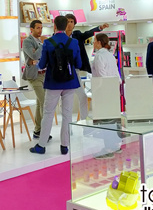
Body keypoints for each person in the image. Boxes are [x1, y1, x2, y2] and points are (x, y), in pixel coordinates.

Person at [30, 15, 82, 156]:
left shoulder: (48, 42)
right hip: (70, 83)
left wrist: (38, 65)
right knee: (67, 114)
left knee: (48, 114)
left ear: (54, 25)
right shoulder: (74, 42)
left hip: (53, 83)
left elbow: (42, 64)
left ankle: (41, 145)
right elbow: (79, 63)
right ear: (66, 26)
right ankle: (65, 146)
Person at [64, 14, 109, 119]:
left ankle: (84, 120)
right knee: (65, 99)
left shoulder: (77, 35)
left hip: (75, 71)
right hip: (62, 72)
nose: (69, 24)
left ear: (74, 24)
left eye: (71, 22)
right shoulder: (59, 36)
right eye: (67, 21)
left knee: (82, 96)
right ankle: (67, 122)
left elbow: (88, 33)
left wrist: (100, 28)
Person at [21, 20, 47, 139]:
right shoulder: (27, 41)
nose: (40, 30)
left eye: (41, 28)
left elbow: (43, 56)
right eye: (38, 28)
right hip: (34, 76)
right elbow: (35, 56)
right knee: (44, 102)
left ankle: (38, 130)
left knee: (39, 103)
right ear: (31, 29)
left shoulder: (40, 41)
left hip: (44, 74)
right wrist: (42, 45)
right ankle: (45, 131)